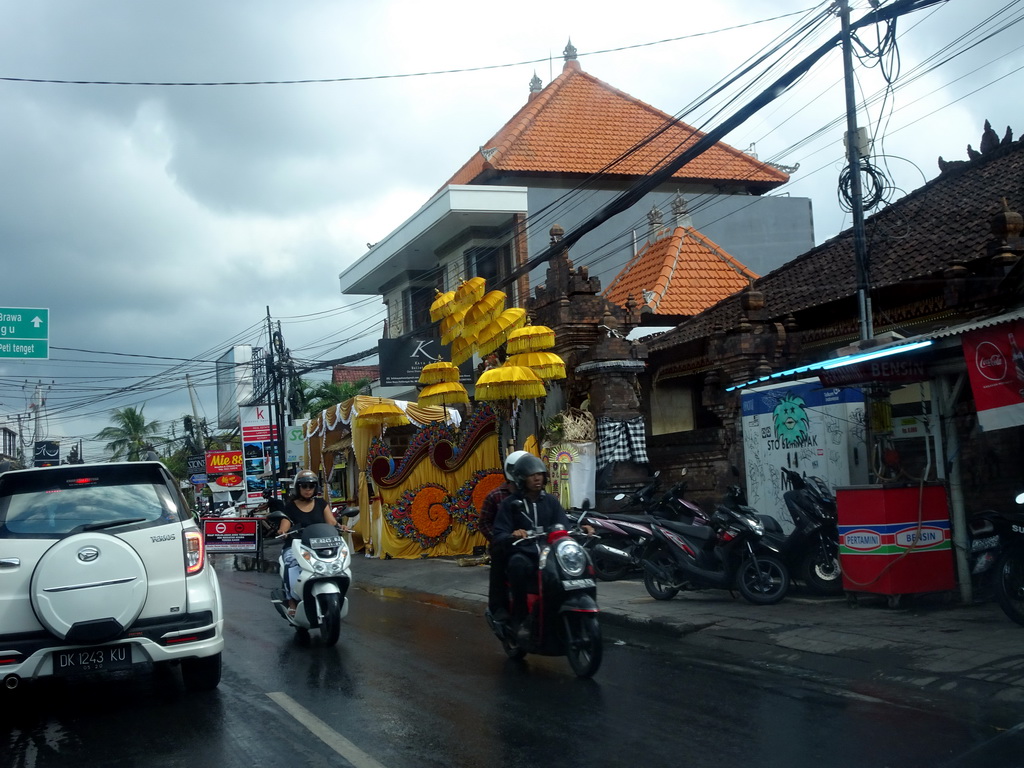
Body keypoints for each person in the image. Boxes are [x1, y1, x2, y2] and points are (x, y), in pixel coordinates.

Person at [492, 453, 592, 633]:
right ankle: (520, 617)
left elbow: (564, 526)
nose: (537, 478)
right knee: (516, 564)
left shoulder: (551, 501)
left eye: (540, 474)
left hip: (550, 554)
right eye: (532, 475)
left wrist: (581, 529)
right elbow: (499, 532)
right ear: (522, 478)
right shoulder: (511, 504)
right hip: (526, 554)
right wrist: (514, 534)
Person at [279, 469, 340, 617]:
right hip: (297, 546)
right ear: (298, 488)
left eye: (311, 486)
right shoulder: (290, 506)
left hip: (320, 545)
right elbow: (284, 524)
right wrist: (283, 532)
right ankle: (292, 600)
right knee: (291, 565)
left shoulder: (321, 503)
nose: (308, 489)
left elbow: (332, 522)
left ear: (315, 488)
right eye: (304, 486)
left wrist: (341, 526)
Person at [481, 450, 530, 621]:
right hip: (505, 545)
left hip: (530, 542)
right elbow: (485, 522)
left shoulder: (534, 494)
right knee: (500, 564)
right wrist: (500, 538)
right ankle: (498, 608)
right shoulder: (495, 496)